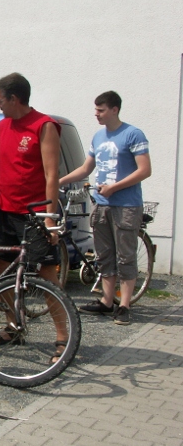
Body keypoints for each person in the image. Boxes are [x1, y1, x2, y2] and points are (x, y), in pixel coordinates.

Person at [0, 73, 66, 359]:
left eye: (0, 100)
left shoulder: (44, 126)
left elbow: (52, 175)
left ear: (14, 99)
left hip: (34, 214)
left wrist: (49, 217)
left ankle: (63, 337)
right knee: (1, 271)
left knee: (47, 275)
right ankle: (13, 325)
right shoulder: (3, 126)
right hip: (5, 210)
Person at [60, 91, 151, 325]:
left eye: (101, 110)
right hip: (101, 205)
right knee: (105, 256)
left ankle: (124, 305)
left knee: (125, 256)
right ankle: (107, 301)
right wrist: (58, 181)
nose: (96, 114)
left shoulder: (133, 134)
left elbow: (144, 170)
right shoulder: (98, 137)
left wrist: (114, 187)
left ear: (114, 110)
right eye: (95, 109)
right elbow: (85, 168)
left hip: (126, 205)